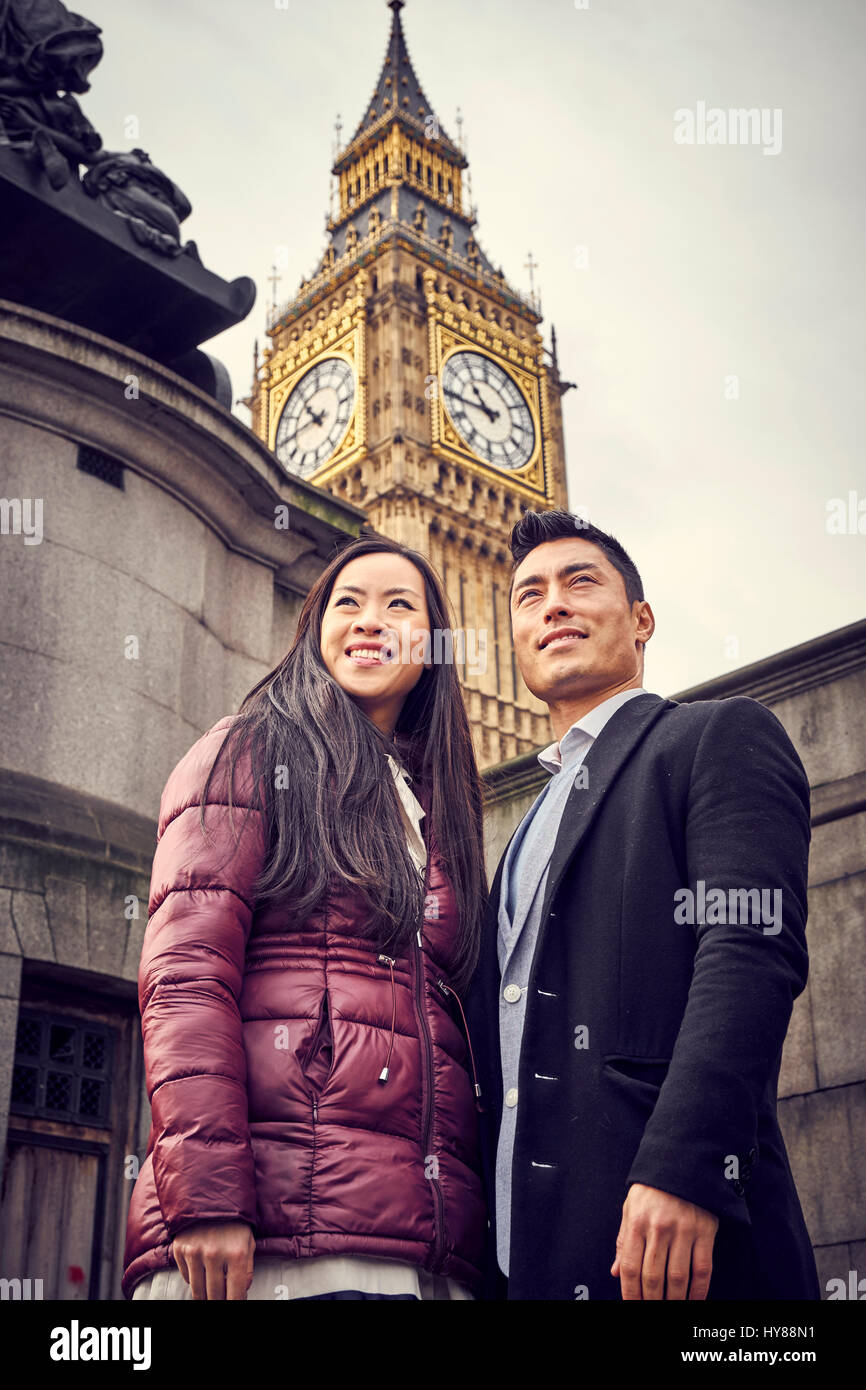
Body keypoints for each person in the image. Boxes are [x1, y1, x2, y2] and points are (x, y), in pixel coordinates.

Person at [466, 508, 820, 1301]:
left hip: (675, 1251)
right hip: (526, 1270)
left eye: (579, 581)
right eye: (528, 595)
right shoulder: (521, 831)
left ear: (641, 619)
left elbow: (750, 955)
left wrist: (687, 1171)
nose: (551, 604)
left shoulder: (715, 738)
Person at [122, 536, 488, 1300]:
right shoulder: (249, 749)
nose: (369, 620)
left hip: (417, 1242)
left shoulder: (441, 805)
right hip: (276, 1238)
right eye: (347, 602)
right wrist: (209, 1195)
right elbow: (185, 978)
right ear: (315, 628)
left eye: (399, 605)